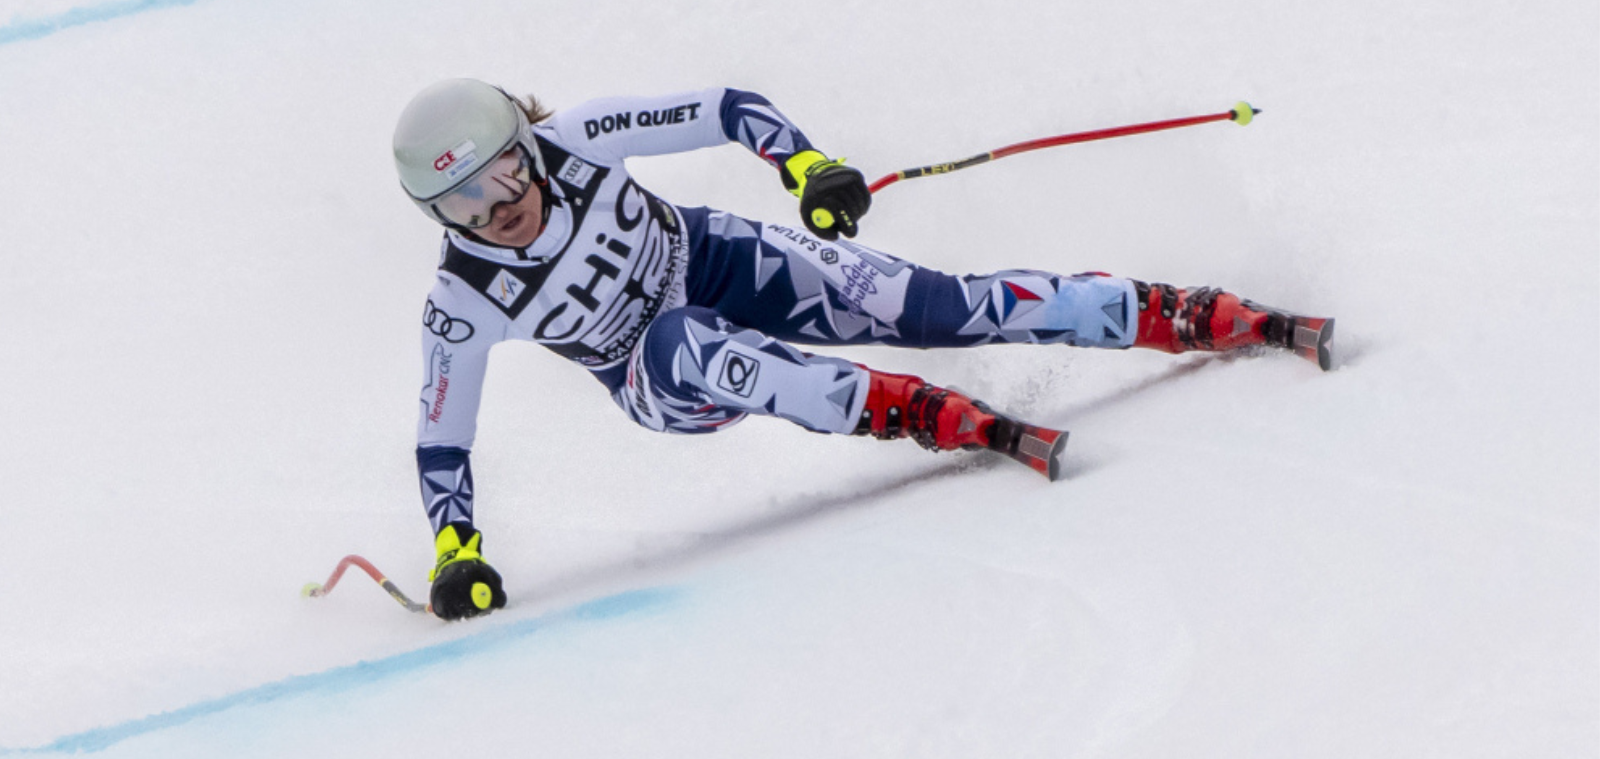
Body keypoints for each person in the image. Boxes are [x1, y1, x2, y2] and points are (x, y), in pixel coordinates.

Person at [393, 79, 1332, 620]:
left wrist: (809, 167)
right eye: (462, 205)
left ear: (526, 140)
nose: (499, 208)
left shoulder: (577, 142)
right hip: (652, 373)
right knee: (687, 341)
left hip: (719, 256)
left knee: (939, 307)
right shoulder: (459, 300)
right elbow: (444, 440)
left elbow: (724, 106)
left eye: (504, 172)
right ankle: (911, 412)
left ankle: (1185, 314)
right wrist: (454, 553)